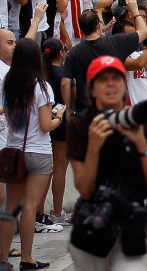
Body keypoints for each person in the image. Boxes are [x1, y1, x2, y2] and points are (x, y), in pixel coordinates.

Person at [65, 55, 147, 268]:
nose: (110, 84)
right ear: (92, 89)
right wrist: (93, 147)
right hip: (92, 223)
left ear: (124, 85)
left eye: (116, 78)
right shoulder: (80, 125)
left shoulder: (140, 122)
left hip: (130, 223)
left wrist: (140, 143)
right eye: (103, 80)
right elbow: (84, 188)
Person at [0, 39, 63, 271]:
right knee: (30, 206)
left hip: (13, 151)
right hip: (38, 152)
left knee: (10, 207)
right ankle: (27, 259)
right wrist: (59, 118)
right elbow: (46, 125)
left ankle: (3, 260)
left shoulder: (8, 83)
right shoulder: (41, 86)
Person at [61, 0, 147, 115]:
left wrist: (67, 110)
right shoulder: (116, 42)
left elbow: (65, 83)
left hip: (86, 111)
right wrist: (135, 11)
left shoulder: (73, 53)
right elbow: (144, 32)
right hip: (113, 108)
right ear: (98, 25)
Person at [41, 38, 71, 226]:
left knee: (46, 171)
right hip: (61, 121)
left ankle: (39, 212)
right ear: (61, 52)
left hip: (45, 122)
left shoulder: (41, 74)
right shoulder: (64, 74)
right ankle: (57, 212)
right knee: (59, 169)